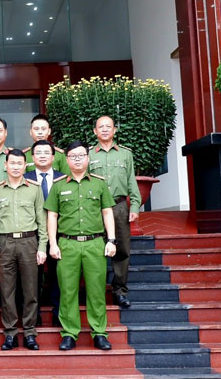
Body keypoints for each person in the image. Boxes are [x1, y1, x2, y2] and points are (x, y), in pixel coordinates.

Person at [44, 140, 117, 351]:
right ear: (66, 160)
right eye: (73, 156)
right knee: (67, 291)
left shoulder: (99, 183)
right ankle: (69, 333)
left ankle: (99, 333)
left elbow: (107, 212)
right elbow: (52, 215)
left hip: (95, 243)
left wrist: (111, 240)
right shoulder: (58, 186)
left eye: (81, 155)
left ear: (87, 157)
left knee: (96, 290)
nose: (77, 159)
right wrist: (52, 244)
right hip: (68, 244)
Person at [0, 149, 47, 351]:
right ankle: (10, 334)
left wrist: (42, 247)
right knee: (7, 292)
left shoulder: (34, 189)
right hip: (6, 243)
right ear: (5, 165)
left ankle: (30, 333)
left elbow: (42, 221)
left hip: (28, 242)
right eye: (12, 163)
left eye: (19, 163)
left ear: (25, 166)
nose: (15, 167)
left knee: (31, 290)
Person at [89, 116, 141, 308]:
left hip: (119, 207)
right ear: (94, 131)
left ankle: (119, 291)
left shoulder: (125, 154)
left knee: (122, 250)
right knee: (96, 250)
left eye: (108, 127)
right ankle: (98, 292)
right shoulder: (88, 155)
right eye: (100, 127)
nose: (104, 130)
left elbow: (131, 181)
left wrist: (134, 206)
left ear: (114, 130)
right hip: (95, 208)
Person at [24, 139, 65, 327]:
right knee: (32, 278)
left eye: (46, 152)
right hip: (33, 235)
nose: (42, 155)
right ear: (32, 157)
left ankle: (58, 313)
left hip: (58, 235)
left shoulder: (63, 178)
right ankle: (35, 314)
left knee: (58, 275)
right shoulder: (25, 178)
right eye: (38, 152)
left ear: (53, 156)